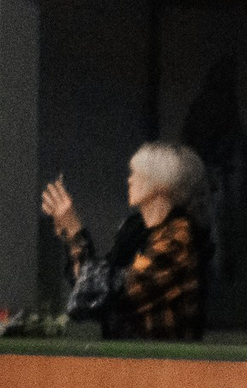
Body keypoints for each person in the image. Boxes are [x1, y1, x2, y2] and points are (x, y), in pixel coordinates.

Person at [41, 143, 208, 342]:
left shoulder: (178, 236)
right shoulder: (134, 230)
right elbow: (89, 289)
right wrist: (71, 232)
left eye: (138, 173)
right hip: (127, 359)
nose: (130, 179)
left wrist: (74, 230)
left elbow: (116, 291)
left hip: (161, 363)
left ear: (161, 185)